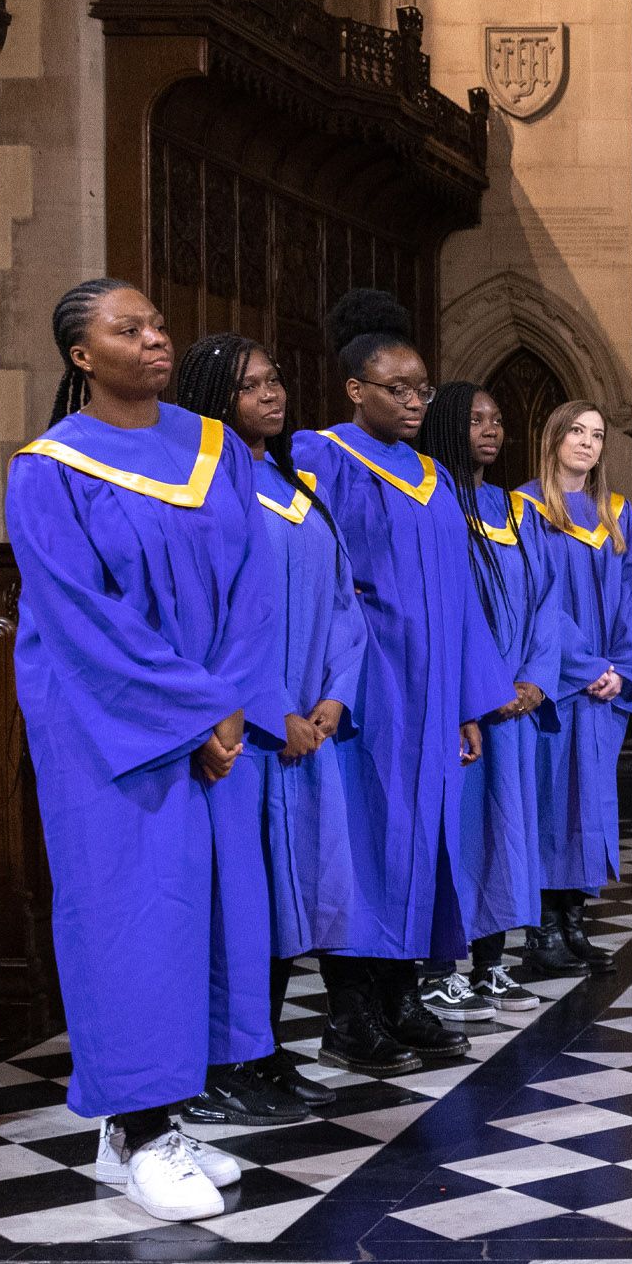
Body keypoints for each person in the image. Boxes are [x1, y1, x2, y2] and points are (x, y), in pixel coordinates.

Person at [8, 279, 280, 1223]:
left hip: (212, 727)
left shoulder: (214, 450)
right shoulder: (49, 469)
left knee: (208, 918)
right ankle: (134, 1128)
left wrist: (234, 708)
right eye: (130, 330)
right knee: (131, 922)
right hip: (109, 731)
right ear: (83, 356)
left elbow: (255, 587)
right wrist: (198, 711)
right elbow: (81, 620)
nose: (156, 339)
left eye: (158, 324)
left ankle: (169, 1108)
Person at [290, 293, 516, 1075]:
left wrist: (465, 704)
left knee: (422, 847)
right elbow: (316, 579)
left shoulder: (433, 476)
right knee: (362, 847)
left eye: (422, 387)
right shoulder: (322, 456)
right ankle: (350, 1017)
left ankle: (399, 997)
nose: (417, 400)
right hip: (362, 692)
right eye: (398, 388)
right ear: (357, 388)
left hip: (430, 699)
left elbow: (458, 595)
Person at [170, 333, 369, 1119]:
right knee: (236, 903)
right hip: (244, 739)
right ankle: (222, 1061)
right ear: (217, 401)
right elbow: (221, 618)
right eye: (251, 387)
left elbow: (345, 607)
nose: (272, 395)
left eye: (275, 379)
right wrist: (271, 707)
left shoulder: (296, 487)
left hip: (305, 733)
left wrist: (333, 698)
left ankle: (264, 1049)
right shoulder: (208, 489)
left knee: (286, 906)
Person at [415, 381, 590, 1024]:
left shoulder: (514, 512)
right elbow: (447, 610)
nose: (491, 430)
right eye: (476, 419)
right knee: (454, 835)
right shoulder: (433, 501)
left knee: (504, 835)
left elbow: (546, 605)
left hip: (514, 703)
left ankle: (490, 965)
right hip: (465, 705)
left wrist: (537, 679)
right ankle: (437, 971)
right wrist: (488, 686)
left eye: (496, 419)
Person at [520, 401, 632, 971]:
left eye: (598, 435)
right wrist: (585, 668)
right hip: (554, 687)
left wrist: (624, 671)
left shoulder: (615, 512)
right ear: (554, 437)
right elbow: (535, 604)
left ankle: (574, 924)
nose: (587, 443)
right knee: (551, 801)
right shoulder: (524, 508)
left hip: (604, 686)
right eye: (577, 432)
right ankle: (542, 933)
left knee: (590, 806)